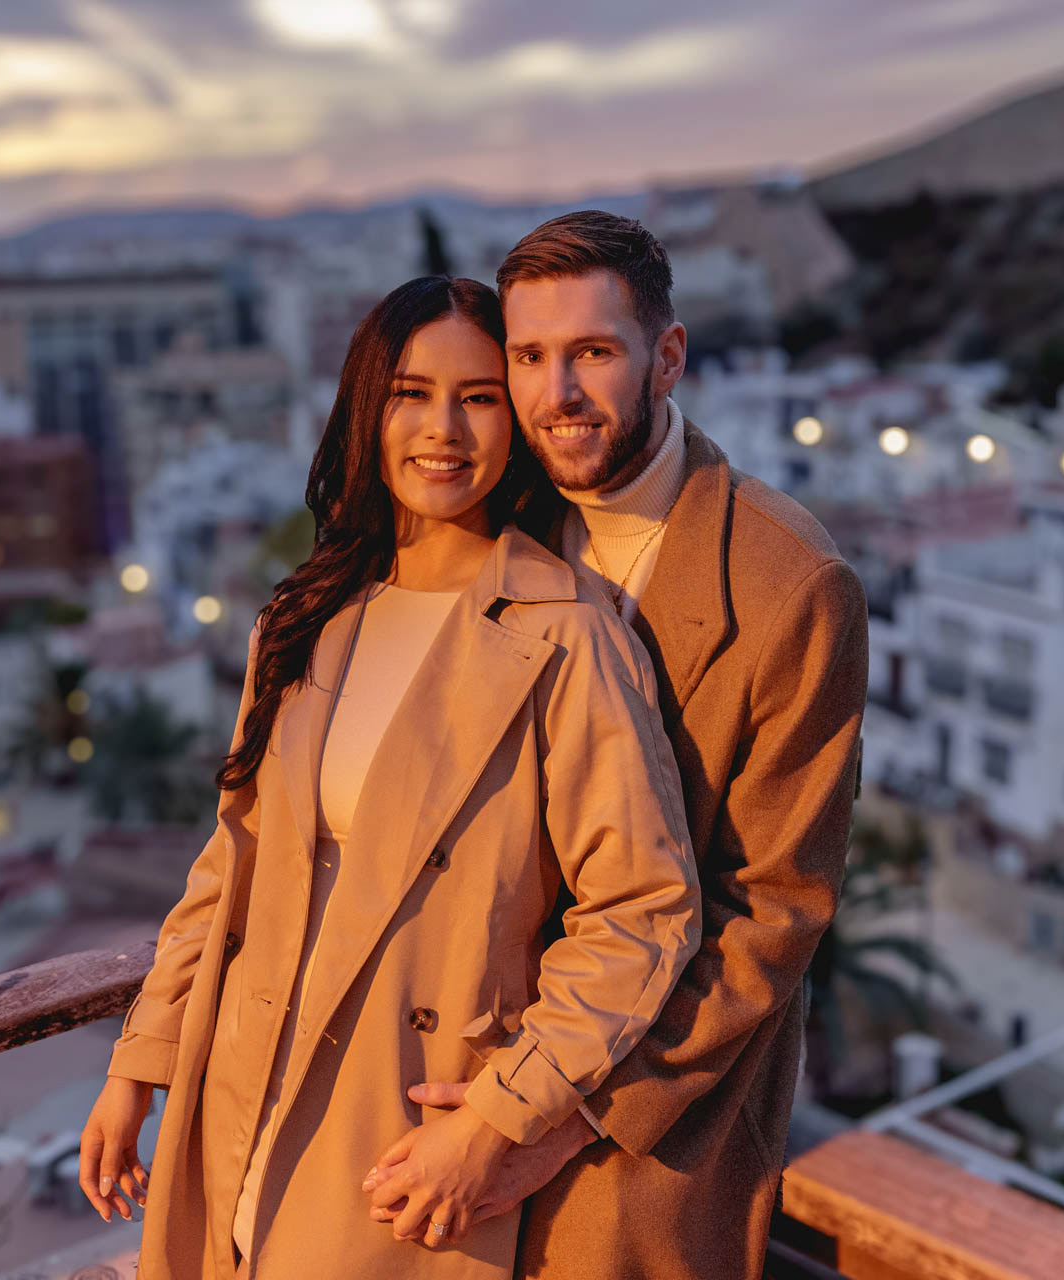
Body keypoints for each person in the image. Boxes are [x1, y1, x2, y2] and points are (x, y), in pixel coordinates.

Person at [78, 274, 702, 1279]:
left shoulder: (566, 634)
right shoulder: (307, 614)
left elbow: (641, 913)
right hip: (233, 1092)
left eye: (480, 395)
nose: (442, 429)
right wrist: (139, 1067)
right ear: (368, 410)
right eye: (411, 392)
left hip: (406, 1134)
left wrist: (505, 1112)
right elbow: (227, 867)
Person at [371, 211, 870, 1278]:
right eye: (530, 357)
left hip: (635, 1137)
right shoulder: (483, 524)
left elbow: (768, 916)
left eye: (593, 352)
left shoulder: (792, 588)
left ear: (668, 356)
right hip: (436, 1091)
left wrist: (540, 1123)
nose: (556, 395)